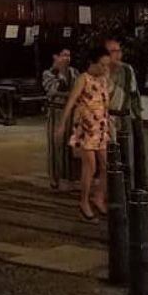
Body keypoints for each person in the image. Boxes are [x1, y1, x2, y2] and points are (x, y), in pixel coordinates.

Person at [57, 47, 111, 222]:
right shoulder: (83, 79)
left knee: (105, 165)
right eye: (102, 65)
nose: (105, 68)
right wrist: (62, 124)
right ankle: (84, 201)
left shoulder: (103, 79)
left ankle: (98, 196)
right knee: (90, 166)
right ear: (93, 63)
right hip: (86, 128)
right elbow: (71, 101)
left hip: (101, 127)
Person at [42, 45, 79, 190]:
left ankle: (70, 177)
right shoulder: (49, 73)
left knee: (70, 144)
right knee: (56, 145)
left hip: (70, 113)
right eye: (64, 55)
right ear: (55, 57)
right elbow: (54, 90)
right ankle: (54, 177)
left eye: (69, 55)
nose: (67, 58)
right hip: (56, 113)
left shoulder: (74, 72)